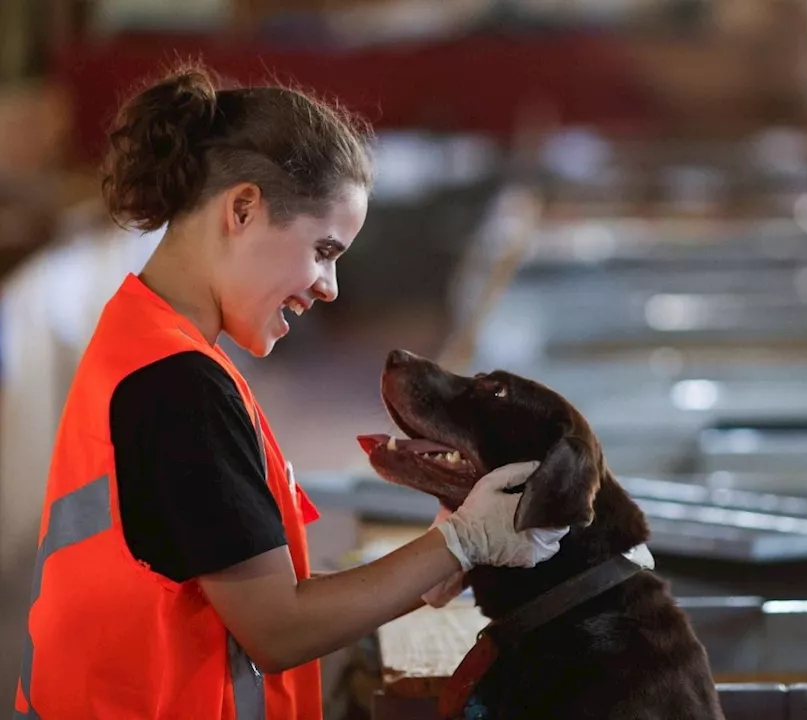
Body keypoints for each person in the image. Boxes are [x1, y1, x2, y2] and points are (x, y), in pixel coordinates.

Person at [12, 63, 568, 719]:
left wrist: (430, 561)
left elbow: (249, 589)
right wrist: (461, 543)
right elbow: (278, 629)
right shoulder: (181, 390)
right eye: (323, 250)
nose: (329, 287)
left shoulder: (139, 339)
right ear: (243, 208)